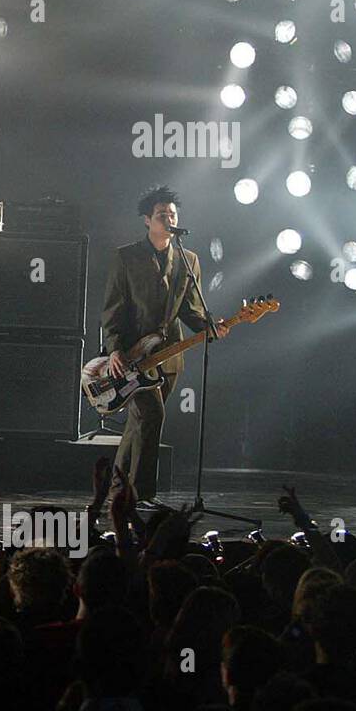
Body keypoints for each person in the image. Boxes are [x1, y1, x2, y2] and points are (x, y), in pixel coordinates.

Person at [99, 185, 227, 501]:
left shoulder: (188, 259)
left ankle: (117, 490)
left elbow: (191, 308)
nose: (168, 218)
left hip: (169, 356)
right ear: (147, 220)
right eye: (161, 214)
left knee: (138, 424)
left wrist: (211, 326)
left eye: (172, 213)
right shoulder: (126, 257)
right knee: (151, 416)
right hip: (132, 357)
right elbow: (112, 308)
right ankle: (142, 496)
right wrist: (114, 348)